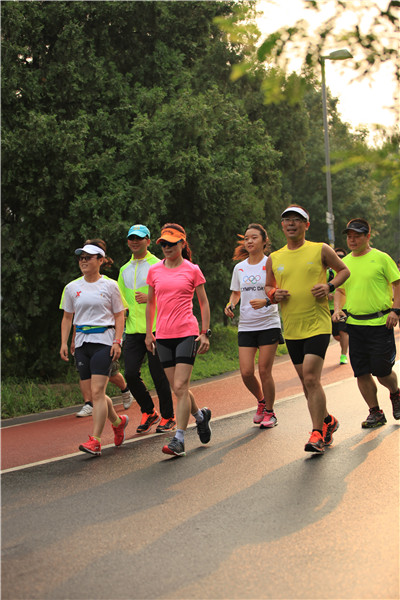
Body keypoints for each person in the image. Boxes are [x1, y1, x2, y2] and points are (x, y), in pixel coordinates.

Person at [265, 205, 350, 453]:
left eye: (297, 220)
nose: (291, 223)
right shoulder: (275, 258)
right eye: (287, 220)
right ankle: (327, 421)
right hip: (291, 327)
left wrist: (329, 286)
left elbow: (344, 270)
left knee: (312, 378)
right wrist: (273, 293)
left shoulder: (320, 249)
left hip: (317, 323)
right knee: (306, 382)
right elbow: (268, 287)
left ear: (306, 225)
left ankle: (316, 434)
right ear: (282, 226)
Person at [145, 223, 212, 457]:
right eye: (163, 243)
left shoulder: (192, 269)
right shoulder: (154, 271)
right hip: (163, 335)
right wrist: (148, 332)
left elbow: (203, 303)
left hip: (187, 332)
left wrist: (205, 332)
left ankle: (179, 439)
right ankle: (201, 417)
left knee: (181, 386)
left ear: (182, 244)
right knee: (178, 388)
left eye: (171, 243)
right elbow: (151, 302)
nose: (166, 247)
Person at [60, 240, 129, 456]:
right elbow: (67, 317)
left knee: (98, 392)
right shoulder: (72, 287)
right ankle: (117, 422)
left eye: (88, 257)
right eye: (81, 257)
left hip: (104, 341)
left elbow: (120, 314)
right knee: (94, 393)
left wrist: (118, 341)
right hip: (82, 343)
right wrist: (64, 342)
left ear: (100, 260)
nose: (83, 261)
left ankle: (96, 440)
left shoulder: (110, 286)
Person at [333, 218, 400, 427]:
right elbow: (340, 289)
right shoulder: (345, 264)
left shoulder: (381, 258)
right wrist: (336, 310)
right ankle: (375, 412)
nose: (352, 240)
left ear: (367, 236)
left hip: (381, 323)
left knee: (382, 371)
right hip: (355, 325)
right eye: (349, 236)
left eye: (357, 236)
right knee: (361, 371)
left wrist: (396, 311)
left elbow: (397, 284)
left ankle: (396, 393)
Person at [118, 224, 175, 434]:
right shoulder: (124, 270)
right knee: (130, 374)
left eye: (139, 238)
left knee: (158, 375)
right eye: (131, 238)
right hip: (133, 331)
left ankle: (168, 416)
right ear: (128, 241)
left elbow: (170, 295)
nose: (135, 241)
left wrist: (152, 297)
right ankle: (149, 412)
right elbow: (121, 303)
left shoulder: (159, 265)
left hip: (157, 329)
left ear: (148, 241)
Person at [224, 223, 282, 428]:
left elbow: (279, 292)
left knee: (264, 370)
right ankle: (261, 400)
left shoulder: (271, 263)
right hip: (246, 325)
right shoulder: (239, 268)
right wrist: (231, 304)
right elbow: (236, 292)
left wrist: (267, 301)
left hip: (269, 323)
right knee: (246, 372)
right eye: (246, 238)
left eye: (254, 237)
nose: (249, 241)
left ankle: (270, 412)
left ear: (264, 241)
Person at [327, 247, 349, 365]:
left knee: (343, 331)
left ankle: (343, 354)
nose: (339, 258)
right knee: (336, 335)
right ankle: (348, 342)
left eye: (341, 256)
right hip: (329, 308)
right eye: (337, 256)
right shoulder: (328, 272)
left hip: (344, 307)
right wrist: (327, 294)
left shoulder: (348, 271)